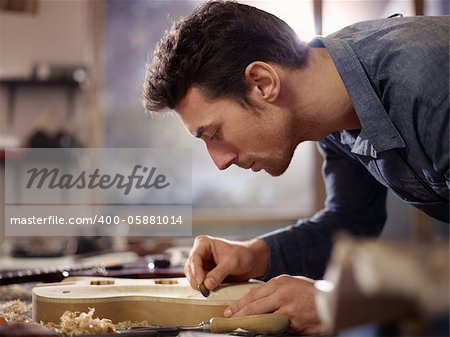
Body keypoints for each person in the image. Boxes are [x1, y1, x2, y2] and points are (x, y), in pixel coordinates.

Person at [142, 1, 449, 333]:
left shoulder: (433, 90)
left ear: (262, 82)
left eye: (214, 133)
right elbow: (352, 219)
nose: (220, 161)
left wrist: (337, 300)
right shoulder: (330, 108)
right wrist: (255, 255)